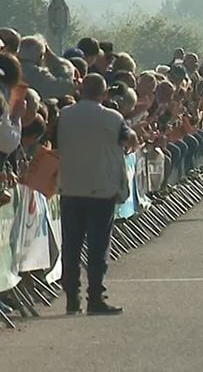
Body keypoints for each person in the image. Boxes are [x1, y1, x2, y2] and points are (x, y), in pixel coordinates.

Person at [57, 73, 138, 316]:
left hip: (70, 186)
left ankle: (72, 298)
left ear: (81, 90)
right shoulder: (113, 118)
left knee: (71, 246)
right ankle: (95, 297)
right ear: (103, 94)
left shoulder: (65, 115)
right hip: (101, 188)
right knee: (97, 246)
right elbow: (129, 138)